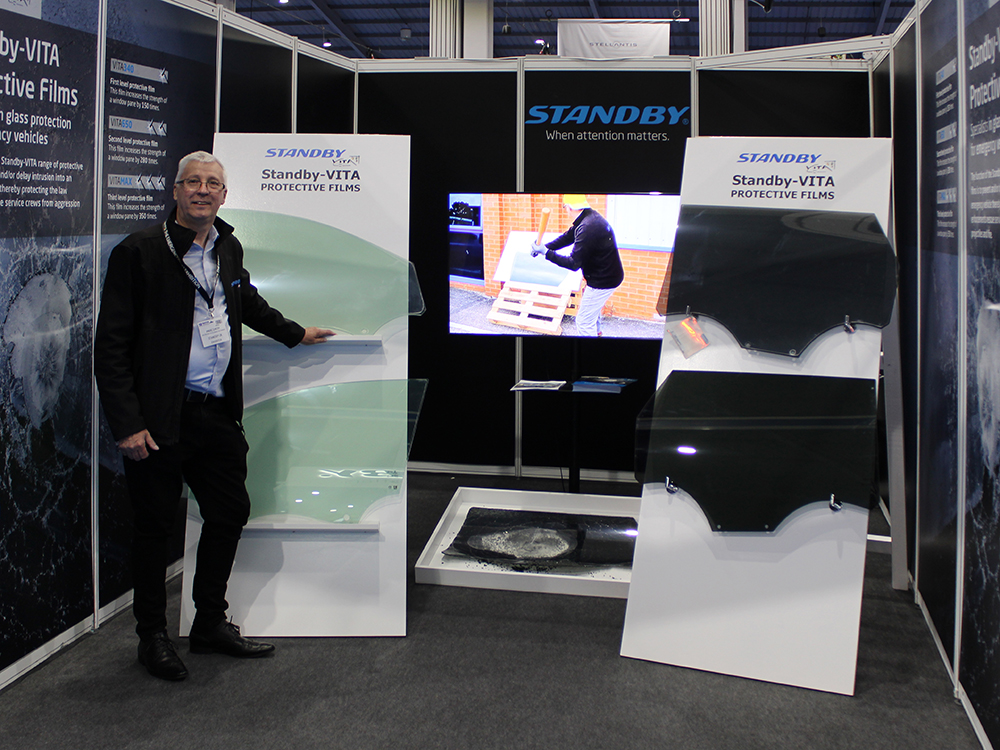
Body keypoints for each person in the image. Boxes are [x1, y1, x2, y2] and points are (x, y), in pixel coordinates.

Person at [95, 151, 334, 681]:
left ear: (224, 196)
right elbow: (110, 346)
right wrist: (127, 424)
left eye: (213, 184)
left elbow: (243, 302)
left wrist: (296, 333)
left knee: (229, 512)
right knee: (154, 530)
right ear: (176, 191)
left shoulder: (227, 246)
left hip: (217, 414)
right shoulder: (138, 252)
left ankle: (208, 623)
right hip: (158, 419)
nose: (203, 190)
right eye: (193, 182)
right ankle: (152, 637)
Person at [531, 195, 624, 336]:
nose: (565, 211)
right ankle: (598, 334)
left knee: (584, 321)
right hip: (606, 275)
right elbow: (569, 236)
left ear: (569, 207)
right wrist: (545, 247)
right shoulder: (589, 217)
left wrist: (546, 253)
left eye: (564, 208)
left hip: (603, 280)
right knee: (592, 313)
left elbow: (573, 263)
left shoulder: (587, 227)